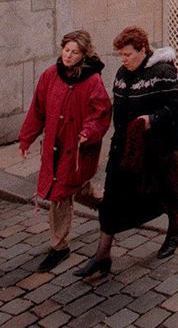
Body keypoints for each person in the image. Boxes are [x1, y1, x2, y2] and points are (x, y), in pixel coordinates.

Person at [74, 26, 178, 280]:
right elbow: (118, 111)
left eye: (127, 54)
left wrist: (153, 119)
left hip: (159, 149)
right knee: (112, 199)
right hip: (125, 148)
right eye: (120, 55)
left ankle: (174, 232)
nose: (123, 59)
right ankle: (102, 256)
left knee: (167, 193)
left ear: (142, 50)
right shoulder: (122, 74)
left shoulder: (163, 73)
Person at [19, 30, 111, 272]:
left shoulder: (92, 81)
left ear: (83, 55)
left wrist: (88, 132)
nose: (68, 56)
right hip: (54, 148)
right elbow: (37, 109)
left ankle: (104, 207)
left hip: (78, 149)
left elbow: (101, 112)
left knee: (72, 189)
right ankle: (60, 246)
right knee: (61, 193)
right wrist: (26, 138)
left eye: (74, 52)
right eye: (66, 50)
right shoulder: (51, 75)